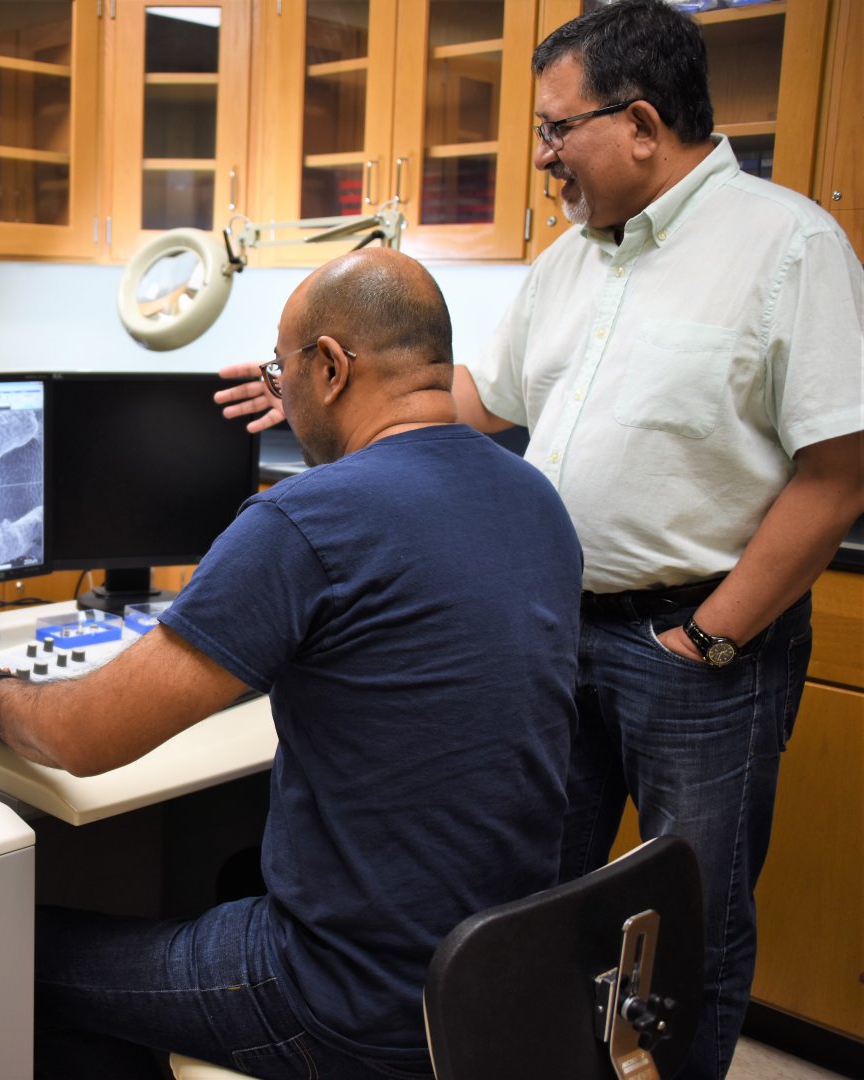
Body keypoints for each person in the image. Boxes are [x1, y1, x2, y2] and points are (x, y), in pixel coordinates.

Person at [215, 5, 864, 1077]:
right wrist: (319, 394)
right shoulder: (569, 262)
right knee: (526, 900)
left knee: (684, 919)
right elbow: (475, 401)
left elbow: (836, 472)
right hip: (555, 633)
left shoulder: (788, 246)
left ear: (642, 123)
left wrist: (708, 637)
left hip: (697, 649)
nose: (542, 154)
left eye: (557, 129)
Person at [0, 248, 584, 1079]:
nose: (280, 392)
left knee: (14, 948)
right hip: (487, 981)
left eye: (282, 368)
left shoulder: (310, 519)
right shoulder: (534, 498)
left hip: (337, 1003)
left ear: (330, 367)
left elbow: (81, 738)